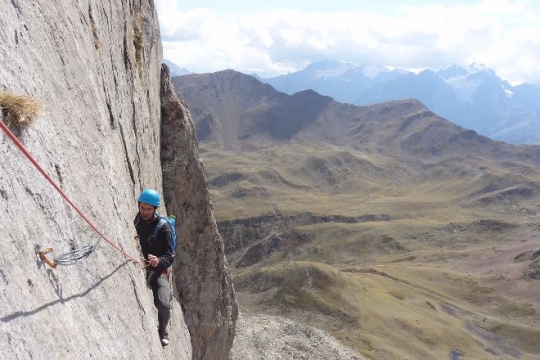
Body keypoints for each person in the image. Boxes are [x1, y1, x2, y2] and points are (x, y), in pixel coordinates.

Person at [134, 188, 174, 346]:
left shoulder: (164, 228)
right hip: (141, 264)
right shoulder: (137, 219)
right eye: (142, 208)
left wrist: (158, 261)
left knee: (164, 303)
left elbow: (170, 256)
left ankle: (163, 330)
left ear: (155, 209)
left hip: (158, 271)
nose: (144, 212)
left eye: (148, 209)